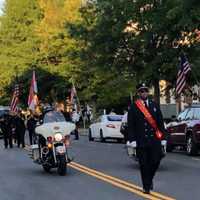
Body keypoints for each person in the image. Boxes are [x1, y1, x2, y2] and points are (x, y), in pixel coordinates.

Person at [127, 83, 166, 194]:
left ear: (148, 92)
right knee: (144, 164)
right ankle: (146, 186)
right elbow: (131, 125)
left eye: (145, 91)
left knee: (156, 161)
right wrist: (132, 140)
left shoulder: (154, 105)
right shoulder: (134, 107)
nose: (144, 93)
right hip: (141, 140)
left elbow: (160, 123)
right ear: (138, 93)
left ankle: (149, 179)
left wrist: (163, 137)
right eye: (141, 91)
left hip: (154, 140)